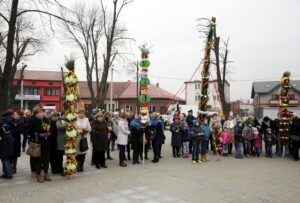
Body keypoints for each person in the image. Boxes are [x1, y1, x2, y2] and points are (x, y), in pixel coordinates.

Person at [28, 105, 52, 183]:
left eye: (42, 112)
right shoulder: (32, 120)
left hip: (46, 143)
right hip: (37, 143)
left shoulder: (45, 119)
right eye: (40, 112)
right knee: (38, 159)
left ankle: (46, 173)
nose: (42, 114)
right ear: (36, 113)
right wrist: (39, 135)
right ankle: (39, 174)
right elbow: (30, 131)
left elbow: (50, 128)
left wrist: (48, 133)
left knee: (46, 159)